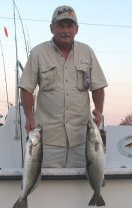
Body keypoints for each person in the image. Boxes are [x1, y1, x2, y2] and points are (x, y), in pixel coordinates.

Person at [19, 5, 108, 168]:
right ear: (52, 28)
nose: (65, 30)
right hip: (47, 139)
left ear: (77, 29)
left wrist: (99, 110)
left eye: (69, 26)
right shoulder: (38, 53)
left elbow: (98, 87)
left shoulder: (87, 52)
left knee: (81, 185)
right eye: (61, 25)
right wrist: (29, 116)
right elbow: (26, 88)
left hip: (83, 138)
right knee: (47, 188)